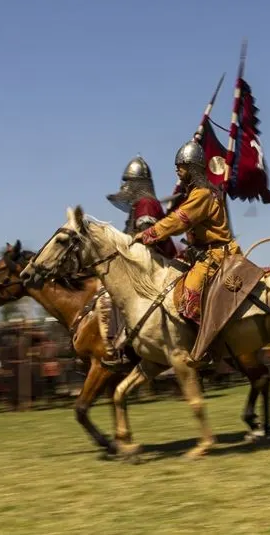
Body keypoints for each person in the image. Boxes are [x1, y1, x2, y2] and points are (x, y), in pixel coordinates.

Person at [134, 140, 241, 323]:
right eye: (177, 166)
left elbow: (178, 221)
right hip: (200, 255)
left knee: (189, 303)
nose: (177, 170)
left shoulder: (202, 194)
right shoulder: (197, 193)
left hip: (216, 255)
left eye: (181, 166)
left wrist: (147, 234)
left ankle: (209, 345)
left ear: (192, 168)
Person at [98, 156, 178, 369]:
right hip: (146, 262)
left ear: (138, 184)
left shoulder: (146, 204)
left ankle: (125, 347)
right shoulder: (140, 205)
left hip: (156, 262)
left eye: (129, 183)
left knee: (117, 295)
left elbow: (145, 240)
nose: (126, 188)